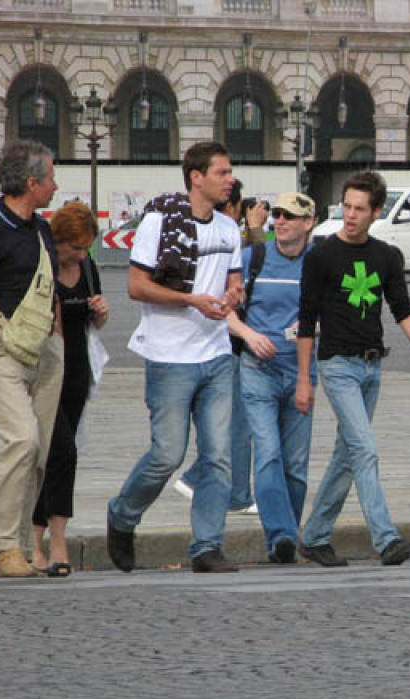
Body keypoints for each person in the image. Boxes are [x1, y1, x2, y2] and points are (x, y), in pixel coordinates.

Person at [295, 170, 410, 565]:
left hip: (371, 368)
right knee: (365, 449)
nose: (350, 215)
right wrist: (304, 379)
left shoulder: (386, 256)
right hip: (336, 366)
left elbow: (403, 309)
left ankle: (313, 536)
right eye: (346, 206)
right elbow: (306, 320)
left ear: (376, 212)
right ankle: (386, 539)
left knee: (347, 454)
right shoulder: (322, 255)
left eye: (359, 209)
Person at [108, 141, 244, 574]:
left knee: (218, 455)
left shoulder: (228, 228)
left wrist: (232, 295)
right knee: (167, 454)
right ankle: (123, 515)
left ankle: (206, 545)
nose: (230, 179)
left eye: (229, 172)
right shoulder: (159, 222)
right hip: (170, 356)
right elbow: (136, 286)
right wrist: (192, 300)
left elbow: (235, 280)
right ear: (196, 177)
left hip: (218, 353)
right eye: (222, 172)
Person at [0, 139, 64, 578]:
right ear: (31, 183)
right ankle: (2, 543)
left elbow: (52, 295)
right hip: (0, 349)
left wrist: (60, 344)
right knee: (21, 440)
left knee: (40, 450)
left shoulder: (42, 230)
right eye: (50, 177)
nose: (55, 184)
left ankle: (24, 545)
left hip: (44, 352)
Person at [227, 191, 318, 565]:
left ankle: (285, 537)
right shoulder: (254, 258)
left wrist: (313, 325)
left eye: (289, 216)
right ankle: (280, 534)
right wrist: (248, 335)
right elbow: (226, 312)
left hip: (301, 373)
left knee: (295, 464)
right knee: (267, 454)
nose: (279, 221)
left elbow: (332, 311)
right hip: (257, 371)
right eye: (277, 215)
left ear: (308, 224)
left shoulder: (318, 264)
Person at [174, 177, 267, 513]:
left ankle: (226, 487)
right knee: (237, 424)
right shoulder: (229, 239)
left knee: (235, 423)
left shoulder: (220, 235)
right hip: (228, 343)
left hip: (218, 343)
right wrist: (255, 230)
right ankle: (209, 482)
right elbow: (257, 263)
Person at [31, 202, 109, 577]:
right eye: (75, 248)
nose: (80, 254)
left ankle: (45, 538)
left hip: (77, 371)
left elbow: (96, 323)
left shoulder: (88, 268)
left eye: (85, 248)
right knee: (58, 451)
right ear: (58, 241)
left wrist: (101, 312)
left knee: (59, 454)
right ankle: (46, 541)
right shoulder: (40, 264)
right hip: (43, 370)